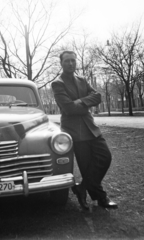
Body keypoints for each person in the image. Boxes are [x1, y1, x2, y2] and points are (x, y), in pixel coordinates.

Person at [51, 50, 117, 210]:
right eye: (67, 61)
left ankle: (81, 188)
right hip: (74, 131)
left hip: (91, 127)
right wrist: (85, 103)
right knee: (87, 166)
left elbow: (98, 97)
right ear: (61, 63)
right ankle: (101, 197)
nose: (71, 63)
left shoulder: (82, 80)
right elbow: (68, 109)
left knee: (105, 157)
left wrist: (78, 102)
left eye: (73, 60)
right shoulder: (57, 83)